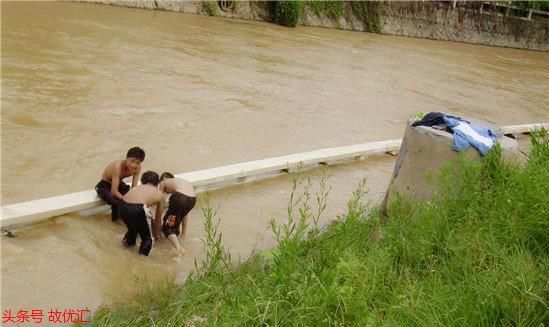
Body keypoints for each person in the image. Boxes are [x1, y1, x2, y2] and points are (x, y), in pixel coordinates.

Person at [119, 171, 165, 256]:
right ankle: (141, 260)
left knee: (132, 230)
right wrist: (158, 234)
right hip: (137, 208)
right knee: (148, 239)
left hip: (122, 205)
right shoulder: (160, 194)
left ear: (143, 181)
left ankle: (124, 249)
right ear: (157, 184)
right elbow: (158, 219)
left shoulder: (137, 187)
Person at [95, 147, 145, 221]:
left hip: (118, 183)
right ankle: (115, 222)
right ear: (126, 158)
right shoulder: (118, 166)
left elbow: (134, 188)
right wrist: (126, 201)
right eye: (132, 161)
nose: (133, 165)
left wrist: (134, 198)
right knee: (117, 203)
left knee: (132, 198)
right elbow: (114, 192)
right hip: (104, 184)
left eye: (137, 163)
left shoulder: (138, 168)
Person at [158, 172, 196, 256]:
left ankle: (179, 249)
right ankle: (181, 236)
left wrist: (159, 222)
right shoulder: (179, 182)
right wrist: (184, 233)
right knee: (175, 220)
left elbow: (159, 203)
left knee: (167, 227)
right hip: (193, 199)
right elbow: (184, 215)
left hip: (179, 198)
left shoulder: (163, 183)